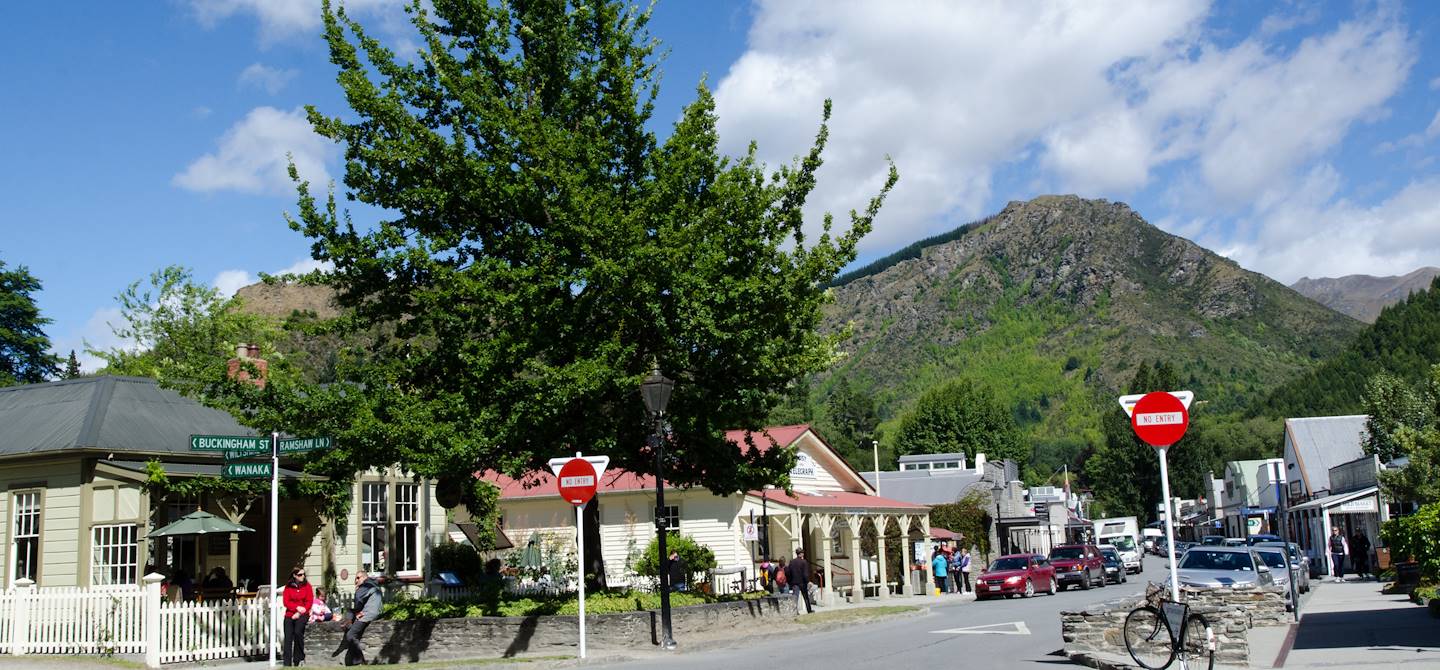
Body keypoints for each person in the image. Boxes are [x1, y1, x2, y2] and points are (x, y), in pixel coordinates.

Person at [341, 570, 383, 666]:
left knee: (350, 635)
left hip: (368, 614)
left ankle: (360, 661)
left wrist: (359, 612)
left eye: (358, 577)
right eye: (355, 578)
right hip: (373, 612)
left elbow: (358, 602)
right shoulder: (373, 583)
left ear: (364, 577)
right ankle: (347, 624)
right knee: (350, 613)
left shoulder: (365, 585)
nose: (356, 580)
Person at [281, 566, 313, 667]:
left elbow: (309, 601)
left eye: (303, 574)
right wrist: (296, 608)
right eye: (300, 575)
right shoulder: (288, 587)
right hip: (290, 614)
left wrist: (299, 613)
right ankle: (287, 664)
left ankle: (298, 659)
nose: (302, 576)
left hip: (303, 614)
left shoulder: (307, 586)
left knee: (298, 632)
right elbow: (286, 602)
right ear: (295, 575)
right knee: (288, 638)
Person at [784, 549, 813, 614]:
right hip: (802, 582)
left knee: (795, 598)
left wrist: (790, 581)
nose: (803, 554)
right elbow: (805, 574)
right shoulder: (804, 562)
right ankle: (809, 610)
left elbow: (788, 572)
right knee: (806, 597)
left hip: (794, 582)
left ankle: (795, 611)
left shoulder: (792, 562)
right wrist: (808, 581)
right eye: (803, 553)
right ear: (801, 554)